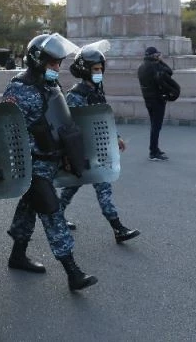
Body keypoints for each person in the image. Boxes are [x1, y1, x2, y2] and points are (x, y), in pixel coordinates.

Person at [3, 33, 98, 291]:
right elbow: (9, 130)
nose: (57, 67)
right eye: (52, 63)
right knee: (51, 211)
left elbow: (61, 121)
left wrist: (67, 153)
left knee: (28, 208)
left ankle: (17, 255)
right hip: (31, 164)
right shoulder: (18, 89)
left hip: (49, 160)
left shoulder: (50, 86)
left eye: (59, 63)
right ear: (37, 60)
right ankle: (73, 272)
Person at [60, 44, 140, 243]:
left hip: (97, 149)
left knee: (82, 186)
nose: (99, 72)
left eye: (100, 69)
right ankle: (117, 228)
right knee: (84, 185)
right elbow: (72, 126)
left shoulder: (96, 90)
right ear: (85, 69)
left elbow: (103, 118)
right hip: (85, 151)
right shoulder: (76, 95)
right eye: (95, 69)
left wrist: (115, 136)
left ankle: (116, 228)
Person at [137, 46, 173, 161]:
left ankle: (155, 149)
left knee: (154, 125)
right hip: (157, 99)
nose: (158, 56)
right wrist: (161, 61)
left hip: (148, 99)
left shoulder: (141, 67)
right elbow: (169, 72)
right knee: (156, 126)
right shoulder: (154, 66)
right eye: (157, 55)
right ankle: (153, 152)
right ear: (154, 56)